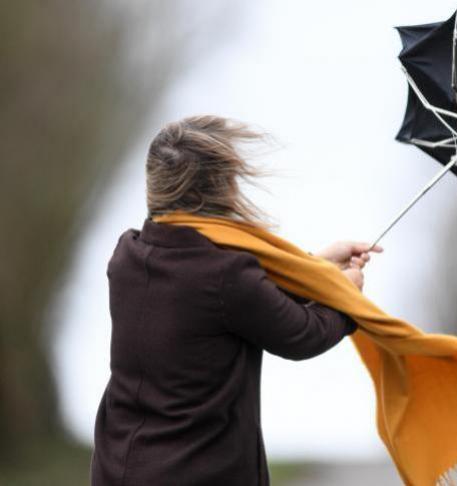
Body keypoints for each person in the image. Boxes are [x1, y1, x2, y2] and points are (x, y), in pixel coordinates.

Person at [90, 115, 381, 485]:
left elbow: (243, 300)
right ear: (220, 189)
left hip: (120, 468)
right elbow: (301, 333)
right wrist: (345, 296)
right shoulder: (225, 275)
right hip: (196, 472)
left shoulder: (128, 255)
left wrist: (317, 268)